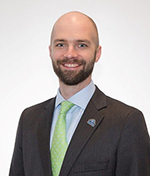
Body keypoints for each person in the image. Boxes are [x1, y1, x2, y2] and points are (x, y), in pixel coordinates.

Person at [9, 11, 150, 176]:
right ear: (50, 51)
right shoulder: (29, 120)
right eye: (61, 44)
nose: (70, 54)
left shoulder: (126, 122)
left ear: (97, 53)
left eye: (81, 45)